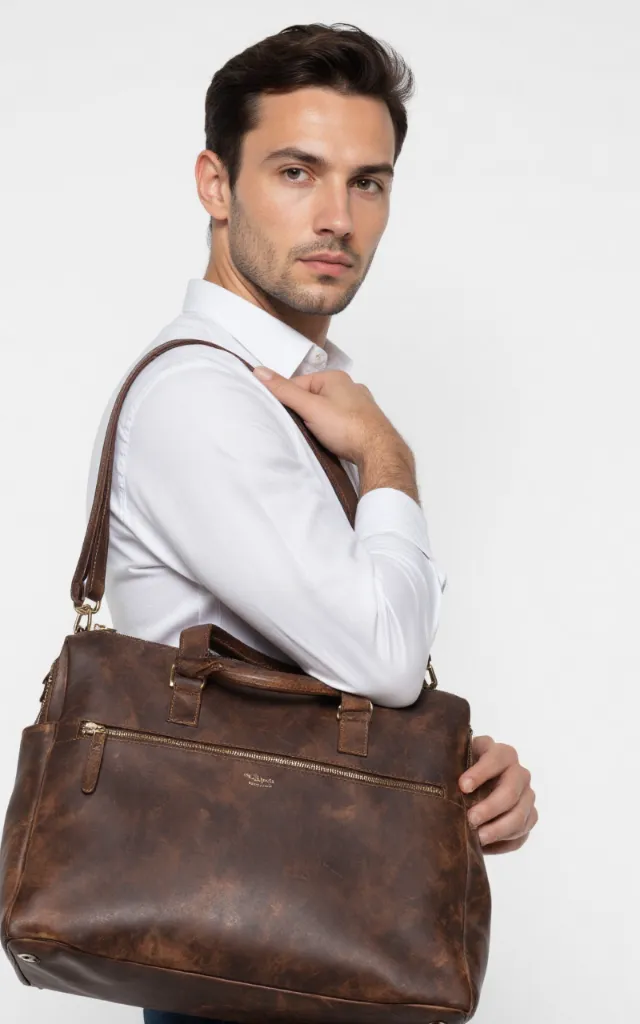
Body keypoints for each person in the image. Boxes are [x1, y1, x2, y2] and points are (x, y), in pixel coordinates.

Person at [86, 21, 538, 1024]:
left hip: (311, 935)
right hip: (242, 963)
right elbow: (377, 655)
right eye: (297, 171)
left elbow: (335, 670)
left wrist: (447, 769)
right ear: (215, 183)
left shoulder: (299, 395)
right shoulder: (201, 399)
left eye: (366, 182)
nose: (336, 216)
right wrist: (390, 460)